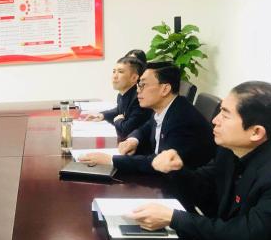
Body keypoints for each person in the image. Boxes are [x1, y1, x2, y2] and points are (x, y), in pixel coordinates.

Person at [130, 81, 271, 240]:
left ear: (256, 132)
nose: (215, 120)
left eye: (225, 115)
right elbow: (205, 191)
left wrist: (174, 218)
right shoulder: (229, 150)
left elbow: (247, 234)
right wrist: (176, 170)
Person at [79, 62, 216, 173]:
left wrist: (111, 160)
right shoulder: (166, 107)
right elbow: (147, 126)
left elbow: (159, 164)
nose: (138, 90)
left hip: (179, 189)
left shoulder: (182, 120)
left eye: (143, 85)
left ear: (165, 89)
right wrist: (133, 140)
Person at [84, 55, 151, 138]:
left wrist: (118, 120)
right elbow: (118, 110)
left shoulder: (139, 98)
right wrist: (102, 115)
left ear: (134, 78)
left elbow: (126, 129)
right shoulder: (122, 94)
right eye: (114, 71)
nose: (115, 76)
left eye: (120, 72)